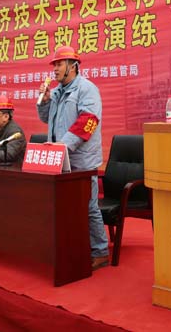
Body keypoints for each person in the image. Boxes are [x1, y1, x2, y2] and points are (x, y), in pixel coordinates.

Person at [37, 45, 109, 270]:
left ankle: (100, 252)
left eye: (59, 64)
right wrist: (45, 101)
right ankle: (72, 246)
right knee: (64, 207)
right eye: (54, 65)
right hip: (60, 158)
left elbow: (88, 122)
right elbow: (46, 119)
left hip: (81, 160)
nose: (55, 69)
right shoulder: (57, 91)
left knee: (88, 207)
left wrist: (63, 146)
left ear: (73, 66)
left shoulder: (87, 89)